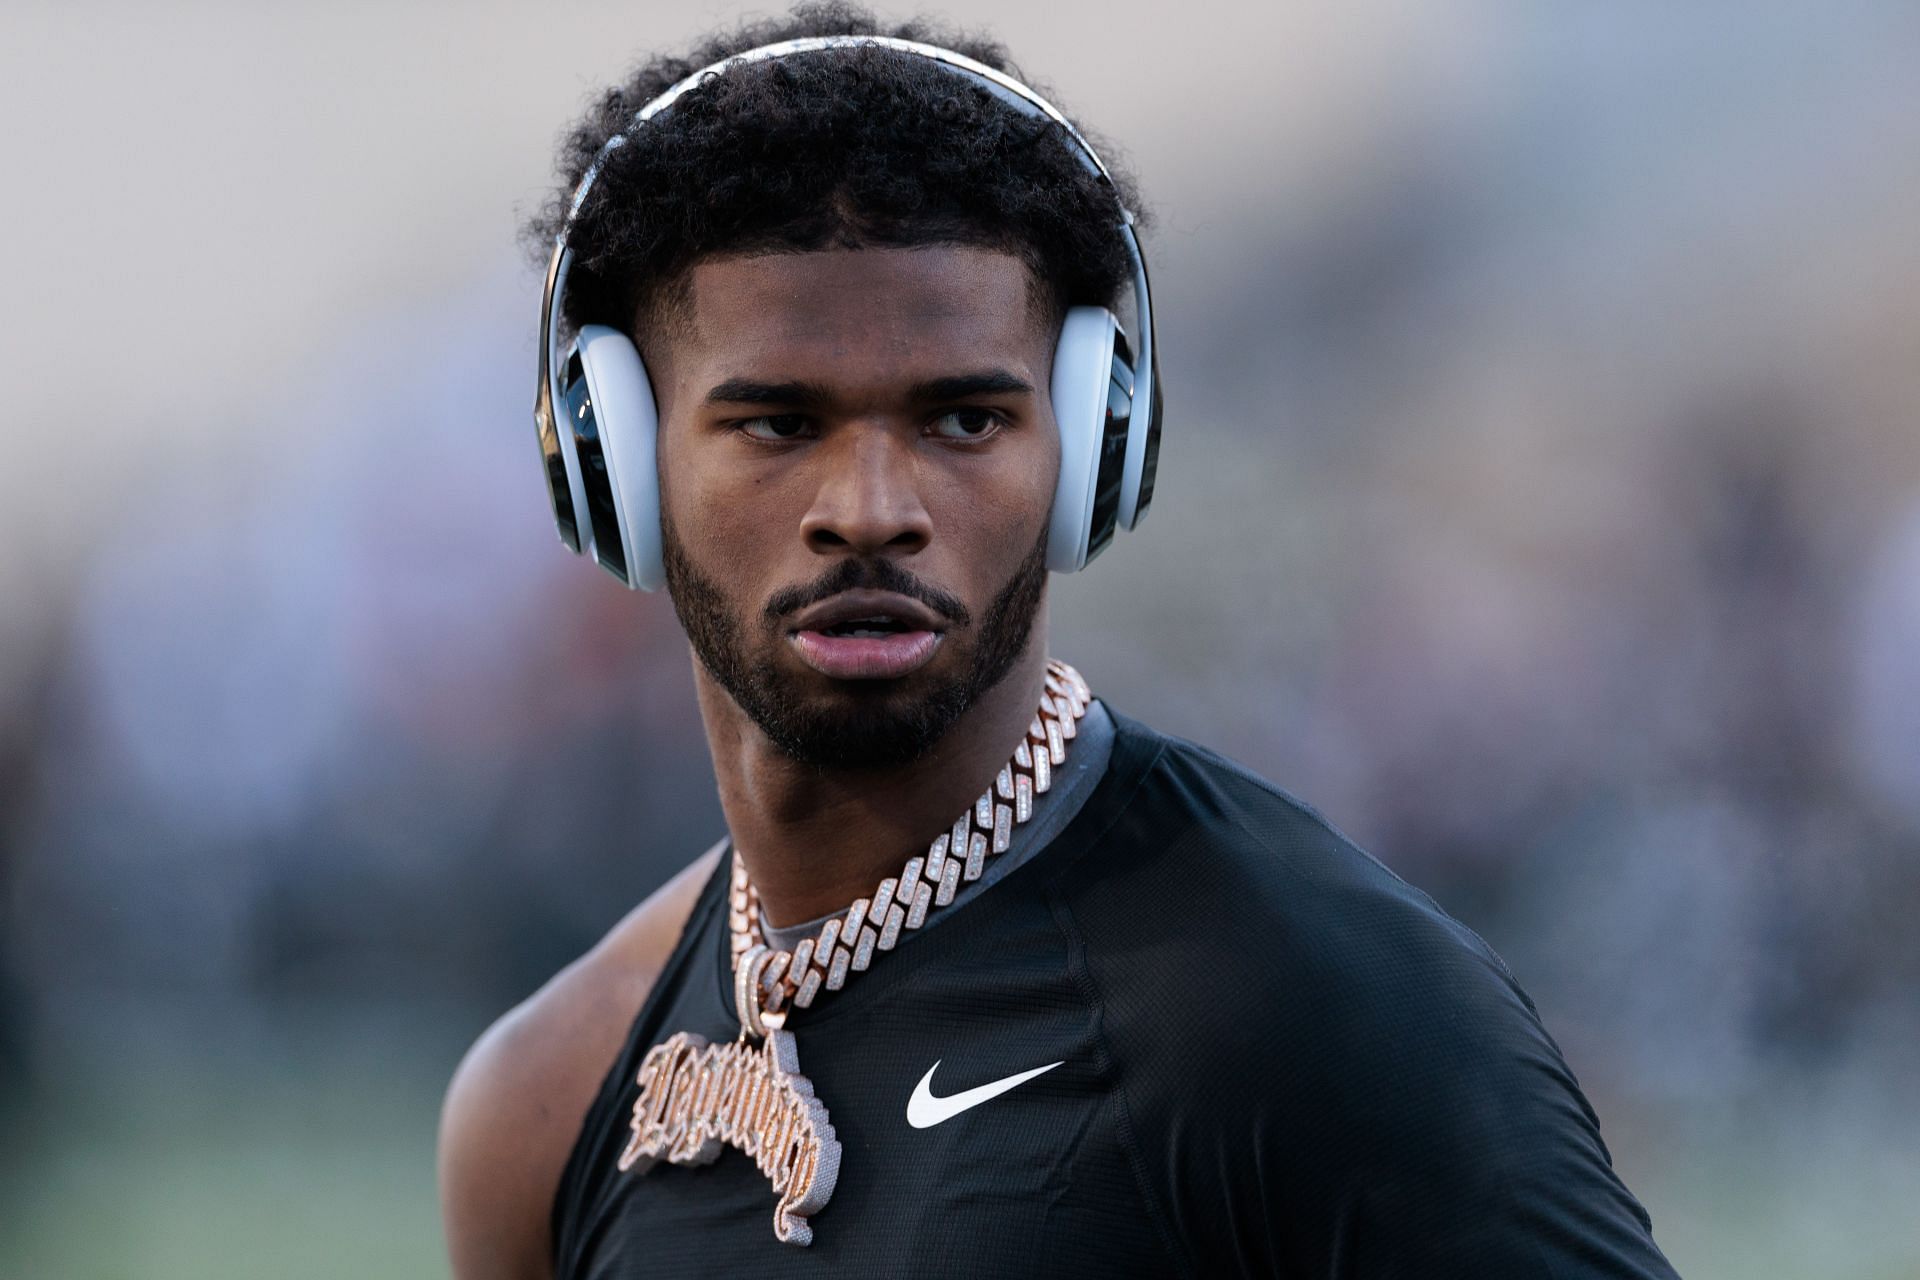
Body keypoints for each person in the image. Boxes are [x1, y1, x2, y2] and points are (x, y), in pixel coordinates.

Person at [438, 5, 1681, 1276]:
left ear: (1093, 447)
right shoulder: (551, 1095)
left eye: (964, 420)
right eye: (776, 423)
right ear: (614, 459)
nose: (870, 509)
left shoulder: (1319, 1003)